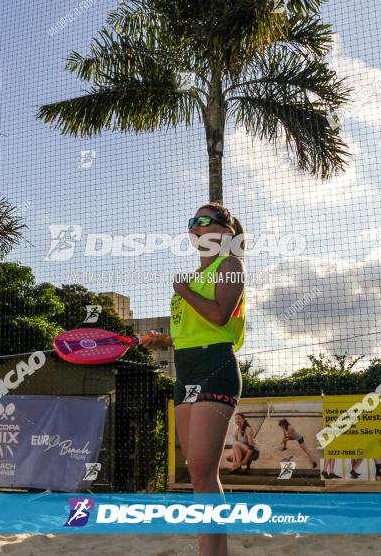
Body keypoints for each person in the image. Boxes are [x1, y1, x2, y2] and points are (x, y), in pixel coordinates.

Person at [142, 202, 247, 556]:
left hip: (214, 367)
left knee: (203, 470)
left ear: (225, 231)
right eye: (192, 222)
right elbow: (189, 331)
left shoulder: (230, 265)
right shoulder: (194, 276)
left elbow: (219, 318)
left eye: (204, 221)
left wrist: (182, 290)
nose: (196, 227)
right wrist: (162, 340)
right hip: (184, 371)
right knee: (196, 473)